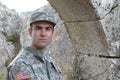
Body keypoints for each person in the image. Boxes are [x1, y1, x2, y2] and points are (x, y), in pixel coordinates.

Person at [6, 11, 62, 80]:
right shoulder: (21, 65)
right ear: (30, 32)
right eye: (38, 28)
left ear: (52, 33)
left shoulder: (50, 61)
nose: (43, 34)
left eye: (48, 29)